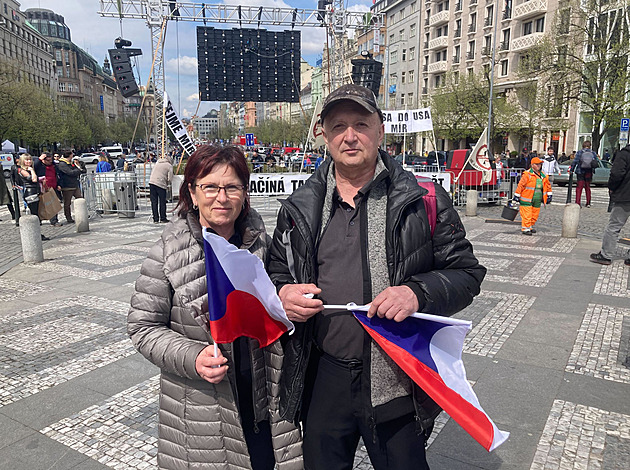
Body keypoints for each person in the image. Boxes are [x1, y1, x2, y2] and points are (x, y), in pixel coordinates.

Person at [266, 84, 486, 469]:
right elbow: (275, 271)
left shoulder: (423, 199)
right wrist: (282, 293)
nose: (349, 136)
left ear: (381, 130)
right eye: (338, 126)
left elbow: (467, 274)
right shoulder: (299, 205)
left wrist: (416, 293)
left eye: (361, 124)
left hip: (395, 376)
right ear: (323, 134)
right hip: (324, 375)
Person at [128, 145, 302, 470]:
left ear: (244, 193)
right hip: (202, 412)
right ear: (192, 192)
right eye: (210, 187)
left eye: (232, 187)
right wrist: (192, 357)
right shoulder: (168, 249)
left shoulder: (266, 243)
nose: (221, 197)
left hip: (264, 403)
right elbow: (142, 327)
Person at [590, 144, 630, 266]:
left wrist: (612, 188)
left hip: (625, 195)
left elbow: (616, 174)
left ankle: (606, 255)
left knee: (614, 226)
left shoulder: (624, 154)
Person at [513, 156, 552, 235]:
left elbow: (548, 185)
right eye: (537, 164)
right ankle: (525, 228)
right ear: (532, 165)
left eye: (540, 164)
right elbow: (521, 185)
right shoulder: (527, 174)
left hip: (537, 199)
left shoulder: (543, 175)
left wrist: (549, 194)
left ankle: (530, 226)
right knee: (527, 214)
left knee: (535, 214)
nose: (539, 166)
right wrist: (517, 195)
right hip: (526, 198)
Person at [57, 150, 86, 224]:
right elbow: (70, 172)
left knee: (80, 199)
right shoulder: (62, 164)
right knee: (67, 203)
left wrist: (78, 168)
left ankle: (82, 214)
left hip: (75, 185)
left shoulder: (71, 163)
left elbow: (81, 171)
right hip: (67, 186)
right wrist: (78, 170)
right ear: (69, 155)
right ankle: (68, 218)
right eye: (72, 154)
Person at [34, 153, 62, 226]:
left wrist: (59, 184)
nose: (50, 161)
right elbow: (34, 165)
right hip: (42, 188)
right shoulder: (40, 166)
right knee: (40, 205)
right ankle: (39, 220)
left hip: (53, 187)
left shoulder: (54, 165)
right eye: (48, 160)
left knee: (52, 204)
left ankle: (54, 221)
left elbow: (57, 175)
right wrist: (40, 159)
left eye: (51, 159)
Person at [148, 154, 173, 223]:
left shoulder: (158, 163)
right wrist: (168, 184)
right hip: (160, 184)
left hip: (152, 182)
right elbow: (170, 178)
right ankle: (163, 218)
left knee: (154, 202)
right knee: (162, 202)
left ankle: (155, 219)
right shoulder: (169, 166)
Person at [571, 140, 597, 207]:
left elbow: (575, 161)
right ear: (590, 146)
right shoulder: (593, 153)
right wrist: (593, 170)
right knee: (587, 187)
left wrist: (572, 169)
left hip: (580, 171)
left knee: (579, 187)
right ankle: (588, 202)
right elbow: (595, 162)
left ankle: (578, 202)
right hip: (589, 171)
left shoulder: (580, 152)